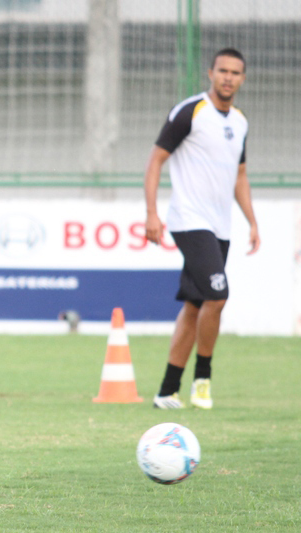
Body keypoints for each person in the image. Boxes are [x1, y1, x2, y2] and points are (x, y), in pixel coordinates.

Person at [143, 48, 259, 409]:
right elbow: (156, 159)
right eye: (222, 70)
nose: (228, 77)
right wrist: (151, 213)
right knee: (218, 296)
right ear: (210, 73)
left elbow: (239, 175)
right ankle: (202, 380)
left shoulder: (239, 122)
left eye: (235, 72)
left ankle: (166, 391)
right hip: (189, 220)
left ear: (242, 79)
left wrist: (252, 221)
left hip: (220, 226)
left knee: (196, 306)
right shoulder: (190, 112)